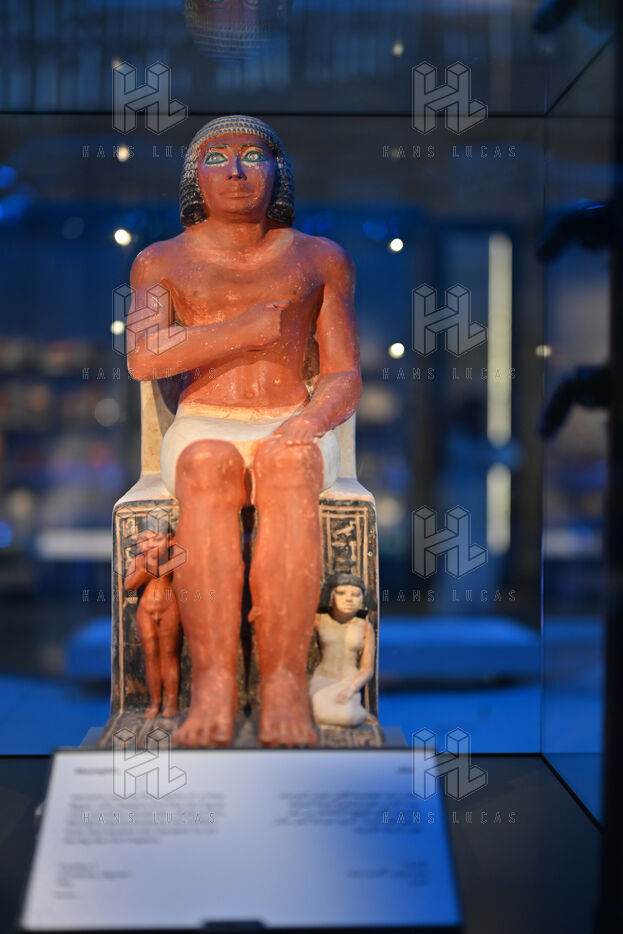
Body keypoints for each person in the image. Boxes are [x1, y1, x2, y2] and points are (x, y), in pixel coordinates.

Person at [126, 115, 361, 747]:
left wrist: (309, 421)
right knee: (206, 465)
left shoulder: (321, 259)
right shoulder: (158, 261)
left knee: (289, 465)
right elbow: (143, 357)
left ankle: (283, 683)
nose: (235, 170)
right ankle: (214, 684)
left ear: (278, 172)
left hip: (291, 417)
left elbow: (343, 375)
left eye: (253, 156)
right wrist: (240, 330)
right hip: (204, 421)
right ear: (194, 177)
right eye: (217, 157)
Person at [124, 527, 182, 720]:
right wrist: (144, 571)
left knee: (169, 655)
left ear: (170, 540)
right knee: (151, 657)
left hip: (168, 608)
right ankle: (155, 702)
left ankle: (172, 701)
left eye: (156, 539)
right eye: (144, 540)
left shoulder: (172, 558)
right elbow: (129, 585)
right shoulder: (139, 562)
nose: (149, 545)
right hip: (146, 610)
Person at [309, 573, 375, 728]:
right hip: (322, 679)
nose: (349, 599)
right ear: (330, 596)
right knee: (315, 714)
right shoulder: (318, 620)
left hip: (348, 681)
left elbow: (367, 669)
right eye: (341, 593)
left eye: (356, 594)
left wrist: (350, 689)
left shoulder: (365, 627)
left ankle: (361, 714)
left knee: (346, 717)